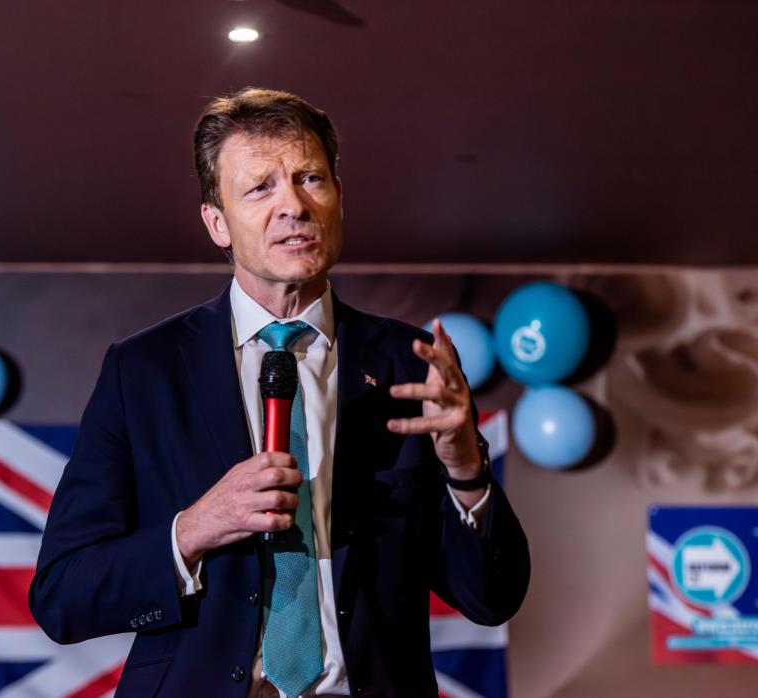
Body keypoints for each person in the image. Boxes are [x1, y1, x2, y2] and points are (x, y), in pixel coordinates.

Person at [29, 87, 530, 697]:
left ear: (339, 199)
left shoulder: (410, 362)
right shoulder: (144, 371)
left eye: (310, 178)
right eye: (260, 187)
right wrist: (193, 529)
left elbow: (493, 598)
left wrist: (466, 470)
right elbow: (62, 596)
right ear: (217, 222)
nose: (293, 204)